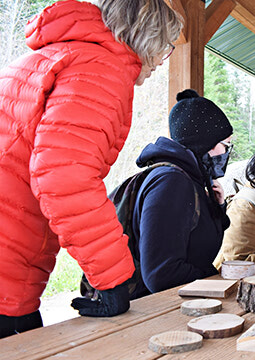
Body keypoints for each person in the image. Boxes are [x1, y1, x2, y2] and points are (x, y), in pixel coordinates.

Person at [0, 0, 182, 338]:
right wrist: (112, 279)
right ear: (147, 34)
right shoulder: (100, 67)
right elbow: (65, 176)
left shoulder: (56, 54)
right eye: (166, 46)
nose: (161, 59)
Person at [128, 89, 233, 299]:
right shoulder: (171, 182)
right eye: (226, 145)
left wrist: (216, 209)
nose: (228, 153)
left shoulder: (191, 180)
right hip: (150, 313)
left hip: (175, 303)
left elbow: (194, 245)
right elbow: (161, 274)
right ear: (205, 143)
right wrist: (217, 277)